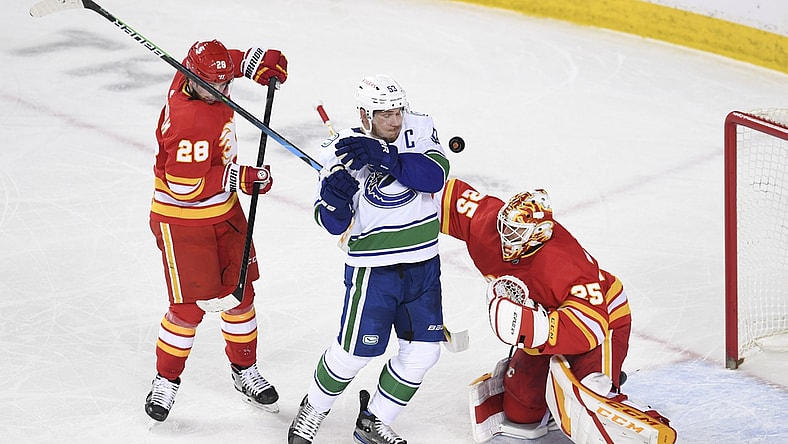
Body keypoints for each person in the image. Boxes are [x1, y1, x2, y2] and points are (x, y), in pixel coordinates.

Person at [438, 178, 675, 443]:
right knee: (521, 413)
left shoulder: (564, 262)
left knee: (591, 394)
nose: (506, 237)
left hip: (601, 317)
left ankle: (619, 400)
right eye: (506, 227)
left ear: (539, 233)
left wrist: (536, 330)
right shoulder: (488, 224)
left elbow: (590, 328)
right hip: (548, 314)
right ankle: (554, 391)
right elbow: (441, 194)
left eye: (515, 233)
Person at [287, 74, 450, 444]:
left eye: (398, 111)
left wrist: (386, 157)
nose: (395, 120)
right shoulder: (340, 151)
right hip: (374, 269)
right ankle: (313, 409)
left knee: (424, 353)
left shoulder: (419, 127)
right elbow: (330, 223)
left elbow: (435, 176)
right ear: (364, 115)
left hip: (424, 264)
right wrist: (335, 201)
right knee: (353, 354)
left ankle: (374, 420)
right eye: (385, 114)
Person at [144, 39, 288, 422]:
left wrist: (256, 63)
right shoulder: (188, 119)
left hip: (224, 213)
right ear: (192, 78)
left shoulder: (195, 75)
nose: (220, 91)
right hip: (183, 222)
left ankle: (245, 371)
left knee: (240, 297)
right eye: (212, 85)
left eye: (225, 83)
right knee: (188, 309)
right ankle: (166, 380)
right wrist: (240, 177)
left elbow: (224, 65)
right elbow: (184, 187)